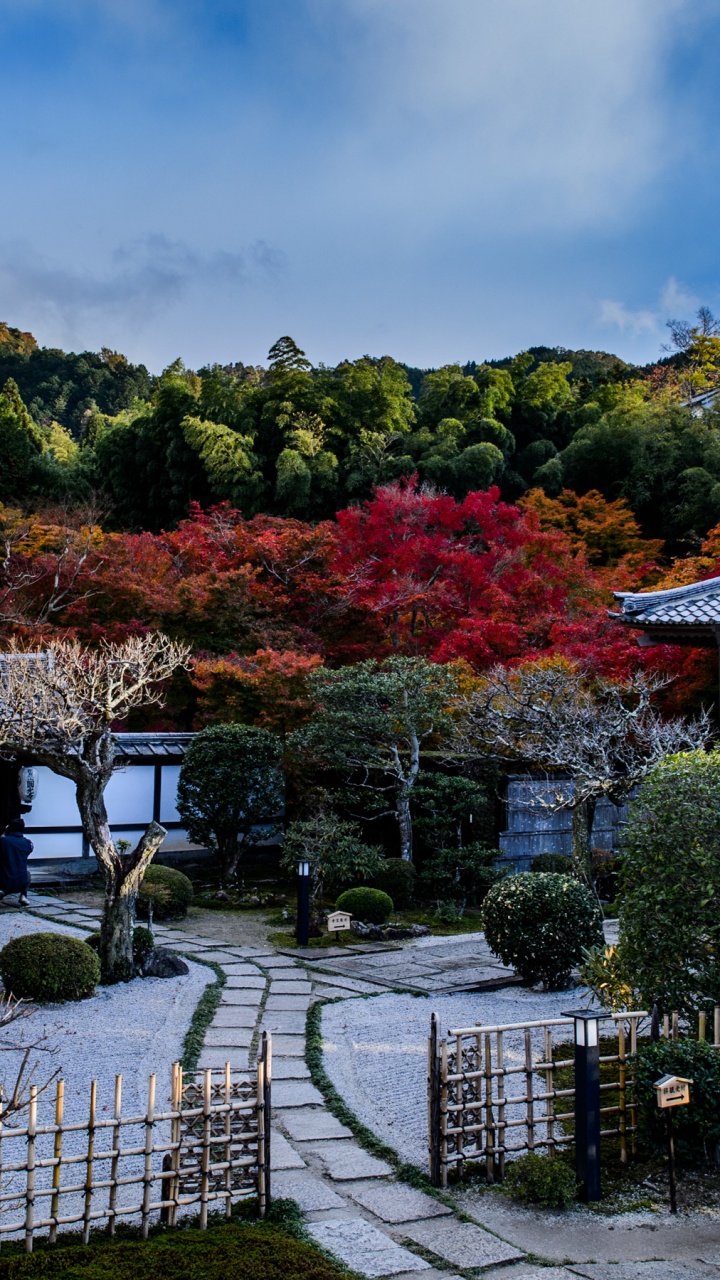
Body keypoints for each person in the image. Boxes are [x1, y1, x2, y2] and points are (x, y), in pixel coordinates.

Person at [0, 818, 32, 906]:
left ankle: (2, 891)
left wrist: (5, 832)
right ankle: (23, 896)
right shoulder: (28, 843)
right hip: (21, 882)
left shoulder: (3, 841)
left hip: (3, 881)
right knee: (28, 874)